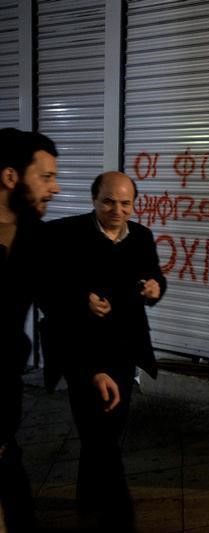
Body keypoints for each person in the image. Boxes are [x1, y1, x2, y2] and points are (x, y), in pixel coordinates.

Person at [40, 171, 166, 531]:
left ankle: (90, 499)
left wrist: (156, 287)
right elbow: (45, 289)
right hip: (81, 351)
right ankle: (115, 511)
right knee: (97, 431)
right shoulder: (64, 234)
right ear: (94, 199)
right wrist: (81, 301)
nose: (117, 209)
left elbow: (154, 275)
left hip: (124, 351)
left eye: (125, 203)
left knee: (106, 431)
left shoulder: (141, 236)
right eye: (109, 201)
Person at [0, 127, 60, 532]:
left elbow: (59, 307)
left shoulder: (35, 237)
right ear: (10, 178)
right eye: (45, 176)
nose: (55, 188)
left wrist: (94, 368)